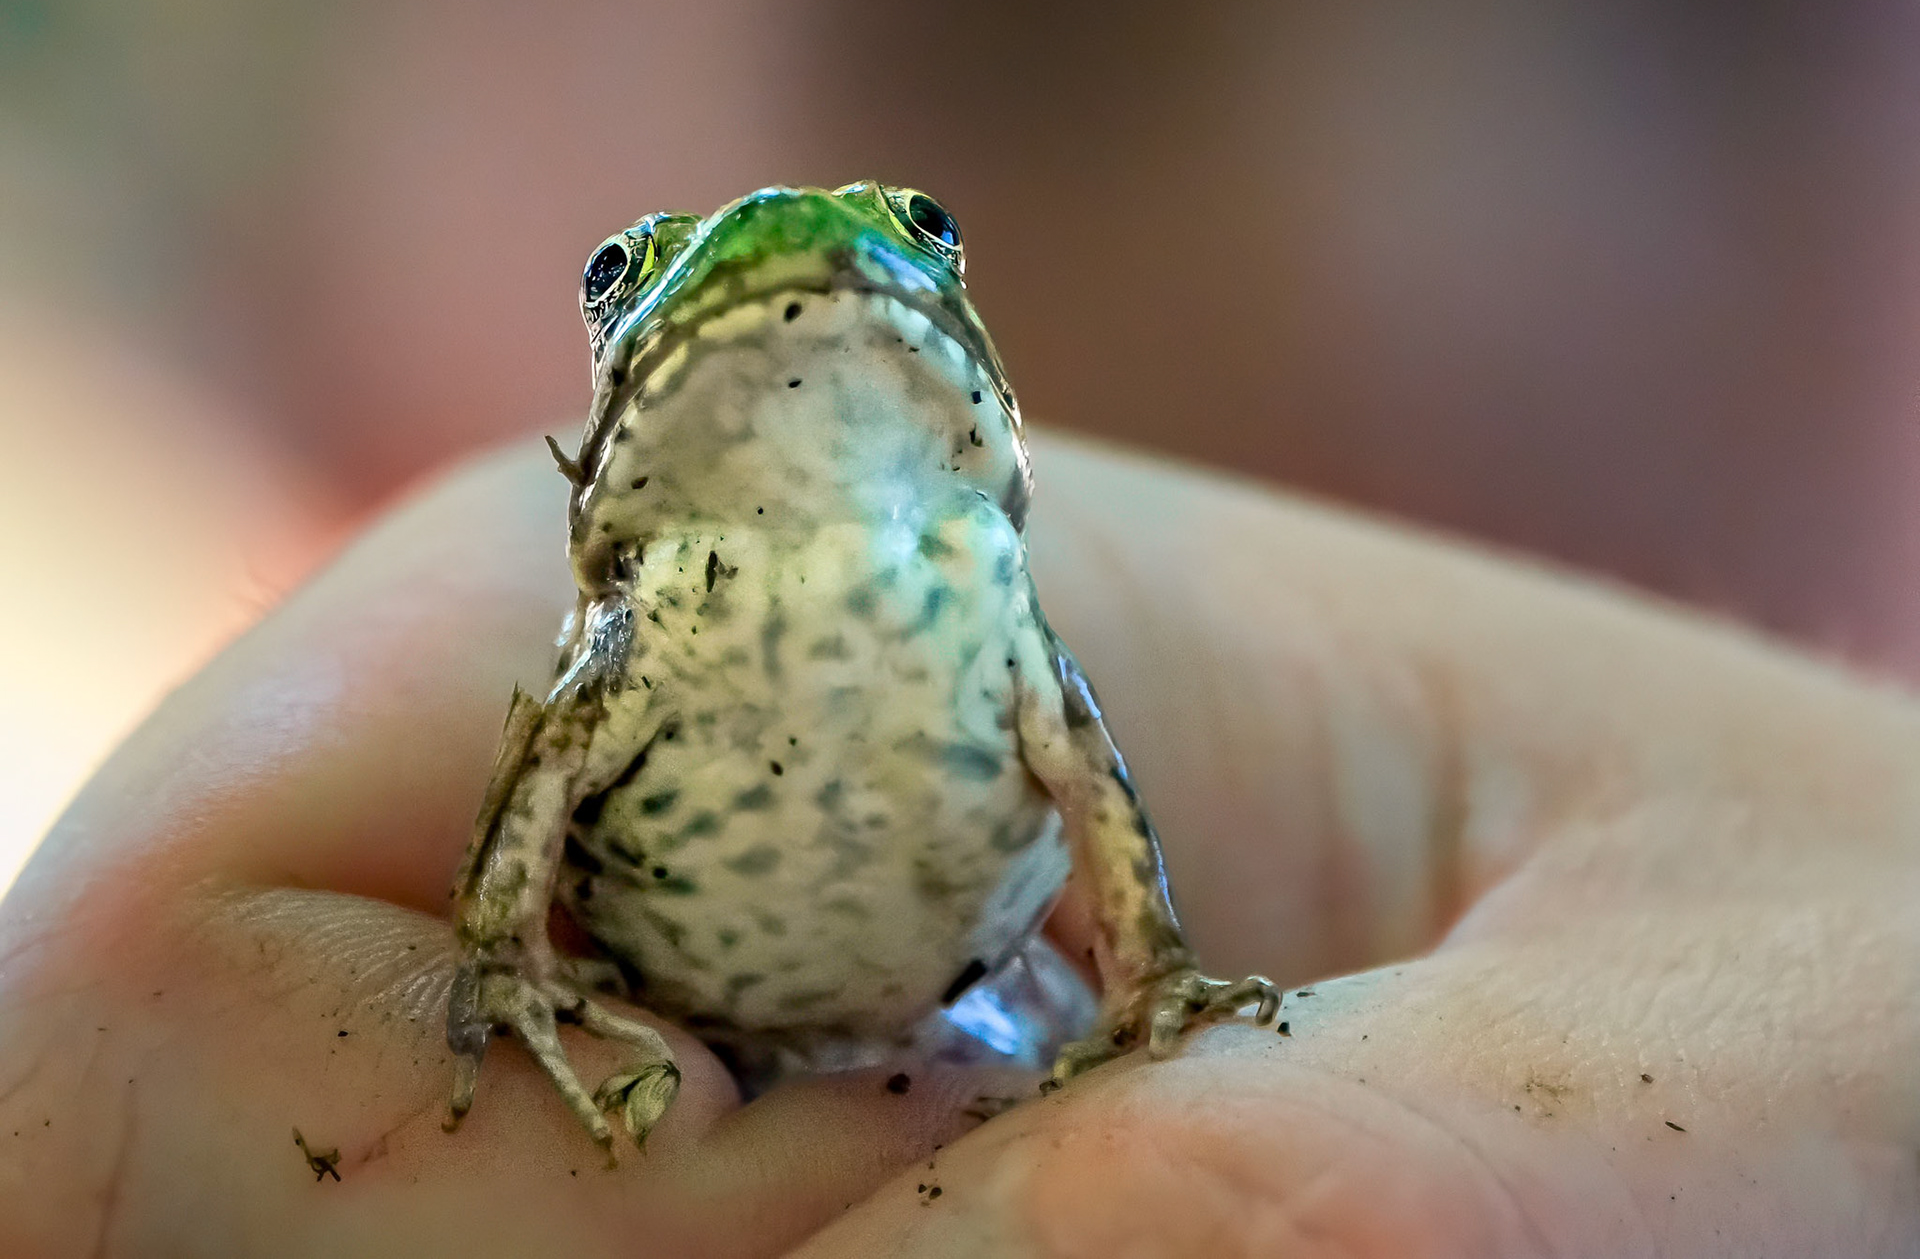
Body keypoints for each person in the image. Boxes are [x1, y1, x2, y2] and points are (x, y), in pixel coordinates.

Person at [1, 435, 1913, 1256]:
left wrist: (1151, 983)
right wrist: (496, 969)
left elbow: (1077, 766)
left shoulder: (979, 589)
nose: (1362, 249)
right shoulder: (629, 615)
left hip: (991, 1010)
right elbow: (554, 772)